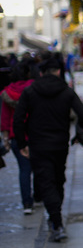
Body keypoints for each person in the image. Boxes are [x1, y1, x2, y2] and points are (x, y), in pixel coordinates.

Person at [13, 57, 83, 242]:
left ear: (41, 73)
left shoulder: (30, 91)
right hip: (59, 145)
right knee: (58, 180)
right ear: (58, 71)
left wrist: (22, 144)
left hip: (38, 145)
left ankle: (56, 222)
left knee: (46, 181)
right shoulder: (66, 91)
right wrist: (79, 135)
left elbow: (18, 120)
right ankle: (56, 219)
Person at [1, 56, 38, 213]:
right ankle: (39, 195)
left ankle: (27, 204)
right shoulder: (35, 88)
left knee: (24, 169)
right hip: (35, 134)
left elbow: (4, 118)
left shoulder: (7, 93)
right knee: (38, 167)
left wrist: (5, 137)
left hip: (16, 136)